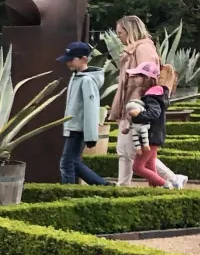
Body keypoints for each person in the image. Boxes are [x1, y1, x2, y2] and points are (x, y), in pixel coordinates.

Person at [108, 16, 183, 187]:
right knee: (126, 152)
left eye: (120, 32)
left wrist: (135, 107)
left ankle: (172, 179)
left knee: (130, 153)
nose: (118, 36)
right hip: (132, 106)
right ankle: (126, 185)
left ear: (130, 31)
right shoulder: (136, 49)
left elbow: (147, 78)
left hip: (136, 107)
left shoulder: (142, 49)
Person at [57, 41, 107, 185]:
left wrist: (91, 136)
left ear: (84, 59)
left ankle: (68, 196)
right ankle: (103, 185)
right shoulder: (76, 76)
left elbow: (91, 109)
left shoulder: (86, 80)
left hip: (77, 128)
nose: (68, 63)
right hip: (73, 126)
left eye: (71, 59)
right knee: (74, 163)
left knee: (66, 164)